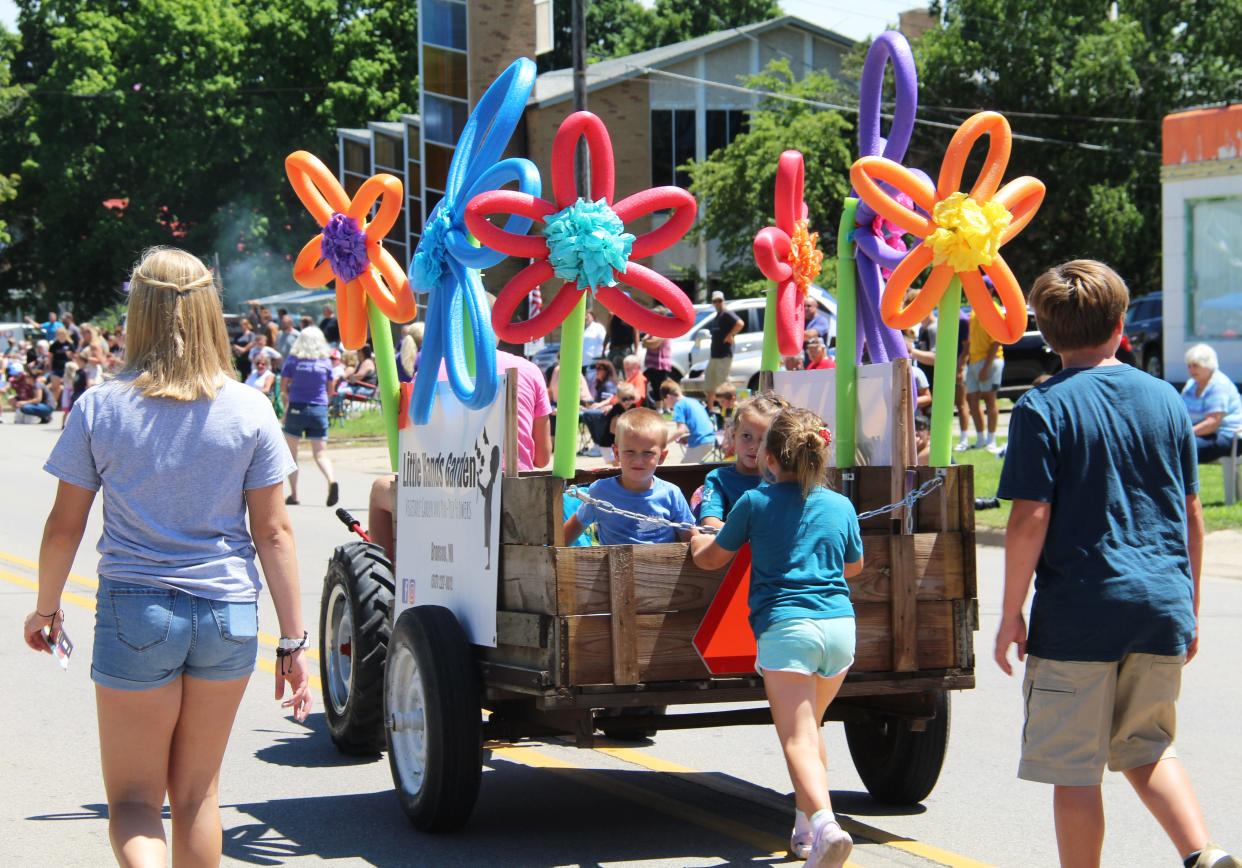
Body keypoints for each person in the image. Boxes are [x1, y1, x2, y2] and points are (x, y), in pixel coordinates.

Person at [22, 246, 311, 866]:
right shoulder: (250, 407)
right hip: (229, 614)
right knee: (199, 796)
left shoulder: (101, 406)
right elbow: (275, 532)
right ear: (210, 310)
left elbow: (61, 527)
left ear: (139, 312)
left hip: (137, 611)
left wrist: (46, 609)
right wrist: (292, 640)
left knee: (132, 802)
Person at [994, 260, 1236, 868]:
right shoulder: (1165, 400)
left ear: (1045, 334)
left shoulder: (1040, 408)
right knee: (1149, 747)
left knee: (1075, 768)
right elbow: (1190, 516)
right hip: (1160, 605)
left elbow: (1030, 518)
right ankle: (1202, 854)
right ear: (1122, 323)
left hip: (1080, 612)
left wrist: (1009, 613)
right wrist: (1192, 610)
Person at [690, 408, 862, 868]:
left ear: (768, 458)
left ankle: (826, 825)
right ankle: (805, 832)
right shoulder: (840, 505)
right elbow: (854, 567)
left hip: (788, 629)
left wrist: (694, 540)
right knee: (812, 728)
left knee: (797, 738)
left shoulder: (755, 502)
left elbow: (711, 560)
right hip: (840, 631)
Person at [368, 349, 552, 561]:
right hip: (514, 498)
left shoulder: (430, 371)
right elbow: (542, 458)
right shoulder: (529, 370)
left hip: (446, 499)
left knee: (379, 488)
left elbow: (415, 443)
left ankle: (392, 578)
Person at [563, 407, 694, 545]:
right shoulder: (600, 491)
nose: (638, 460)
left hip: (661, 564)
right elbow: (572, 529)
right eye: (630, 451)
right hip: (612, 565)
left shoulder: (671, 494)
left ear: (662, 456)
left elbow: (691, 538)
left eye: (647, 453)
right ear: (617, 453)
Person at [698, 392, 790, 529]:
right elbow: (710, 523)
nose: (754, 447)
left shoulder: (782, 479)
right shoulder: (718, 478)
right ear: (734, 436)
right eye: (746, 436)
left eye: (764, 439)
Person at [280, 326, 339, 507]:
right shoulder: (325, 363)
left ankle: (295, 495)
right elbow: (331, 390)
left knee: (292, 454)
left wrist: (286, 406)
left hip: (297, 408)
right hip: (319, 409)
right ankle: (331, 480)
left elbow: (283, 388)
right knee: (320, 454)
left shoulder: (293, 361)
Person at [1180, 343, 1242, 463]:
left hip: (1226, 435)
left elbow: (1212, 423)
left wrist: (1185, 435)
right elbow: (1181, 412)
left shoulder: (1219, 384)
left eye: (1195, 365)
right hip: (1201, 433)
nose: (1191, 369)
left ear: (1208, 365)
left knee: (1183, 449)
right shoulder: (1191, 385)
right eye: (1189, 366)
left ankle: (1186, 482)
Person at [962, 287, 1006, 453]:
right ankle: (980, 439)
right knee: (972, 400)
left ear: (988, 289)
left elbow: (996, 341)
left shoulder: (993, 309)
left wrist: (986, 367)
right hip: (974, 361)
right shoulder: (975, 310)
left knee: (990, 399)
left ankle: (991, 440)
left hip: (991, 361)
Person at [659, 379, 716, 463]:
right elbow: (699, 425)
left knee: (683, 471)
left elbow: (680, 430)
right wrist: (688, 438)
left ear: (668, 397)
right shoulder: (693, 401)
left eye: (665, 401)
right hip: (711, 438)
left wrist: (662, 442)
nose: (667, 405)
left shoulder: (679, 405)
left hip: (700, 441)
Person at [705, 290, 744, 411]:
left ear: (723, 301)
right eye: (715, 301)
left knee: (723, 385)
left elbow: (740, 323)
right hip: (714, 355)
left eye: (719, 300)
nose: (717, 303)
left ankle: (729, 410)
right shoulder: (717, 316)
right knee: (710, 383)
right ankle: (710, 410)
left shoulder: (727, 313)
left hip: (724, 355)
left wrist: (730, 335)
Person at [580, 359, 619, 451]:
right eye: (596, 368)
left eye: (600, 369)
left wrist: (590, 409)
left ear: (607, 371)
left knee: (588, 414)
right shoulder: (601, 384)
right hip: (601, 412)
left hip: (607, 414)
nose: (597, 371)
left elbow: (607, 403)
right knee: (587, 413)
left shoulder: (608, 385)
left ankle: (598, 443)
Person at [641, 314, 674, 397]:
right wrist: (648, 342)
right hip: (652, 363)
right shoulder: (652, 330)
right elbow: (644, 342)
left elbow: (653, 343)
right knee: (655, 387)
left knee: (662, 387)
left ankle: (665, 407)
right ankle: (659, 408)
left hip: (661, 364)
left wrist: (648, 342)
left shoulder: (664, 330)